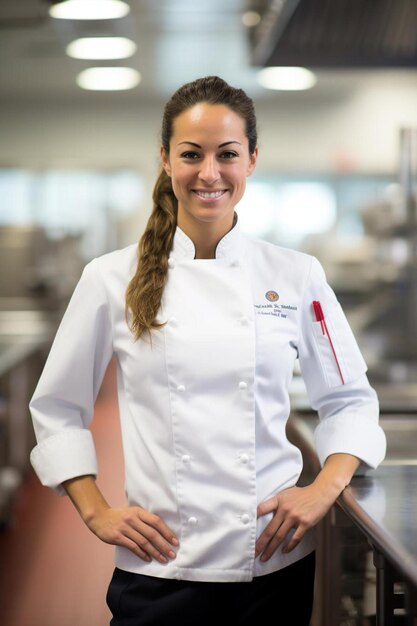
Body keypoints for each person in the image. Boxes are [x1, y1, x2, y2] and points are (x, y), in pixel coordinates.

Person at [29, 75, 386, 626]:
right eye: (191, 154)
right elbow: (56, 408)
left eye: (228, 155)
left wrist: (323, 488)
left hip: (272, 561)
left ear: (252, 160)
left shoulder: (295, 275)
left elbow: (350, 402)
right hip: (159, 566)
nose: (209, 173)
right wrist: (95, 509)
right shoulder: (109, 278)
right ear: (166, 159)